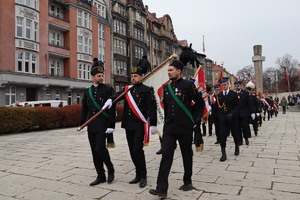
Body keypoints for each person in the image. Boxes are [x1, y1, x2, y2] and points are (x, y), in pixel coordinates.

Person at [149, 60, 204, 197]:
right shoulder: (167, 88)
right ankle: (161, 188)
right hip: (170, 128)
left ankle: (187, 181)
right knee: (166, 155)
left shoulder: (188, 86)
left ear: (179, 71)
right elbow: (167, 107)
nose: (169, 72)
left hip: (185, 127)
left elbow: (199, 103)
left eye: (171, 70)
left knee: (186, 154)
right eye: (168, 70)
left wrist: (196, 119)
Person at [104, 65, 157, 188]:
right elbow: (117, 95)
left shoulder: (147, 90)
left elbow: (152, 108)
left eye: (135, 76)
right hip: (128, 124)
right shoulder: (127, 89)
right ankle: (138, 174)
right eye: (132, 76)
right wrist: (110, 100)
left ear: (141, 77)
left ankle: (143, 176)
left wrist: (153, 123)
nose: (133, 78)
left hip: (139, 124)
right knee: (131, 151)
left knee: (137, 149)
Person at [80, 58, 116, 186]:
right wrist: (81, 123)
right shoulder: (87, 91)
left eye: (102, 75)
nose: (101, 78)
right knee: (94, 151)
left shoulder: (107, 89)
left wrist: (111, 125)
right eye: (98, 76)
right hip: (92, 126)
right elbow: (85, 108)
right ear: (93, 77)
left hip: (103, 125)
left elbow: (112, 108)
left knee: (100, 148)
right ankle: (100, 175)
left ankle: (110, 169)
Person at [216, 77, 239, 161]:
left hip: (232, 117)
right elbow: (217, 107)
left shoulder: (233, 94)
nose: (224, 86)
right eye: (222, 85)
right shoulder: (220, 95)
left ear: (228, 84)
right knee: (222, 135)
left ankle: (236, 146)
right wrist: (218, 117)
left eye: (225, 84)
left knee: (235, 133)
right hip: (223, 118)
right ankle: (223, 153)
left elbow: (237, 106)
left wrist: (232, 114)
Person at [234, 81, 253, 146]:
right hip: (237, 114)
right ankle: (240, 140)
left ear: (241, 86)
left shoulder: (245, 93)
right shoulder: (234, 94)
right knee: (237, 127)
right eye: (236, 86)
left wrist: (251, 113)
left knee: (245, 126)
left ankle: (246, 138)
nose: (237, 87)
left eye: (238, 86)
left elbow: (249, 103)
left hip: (244, 113)